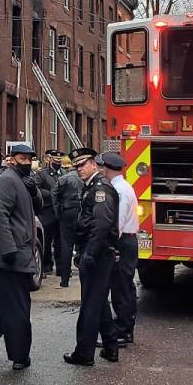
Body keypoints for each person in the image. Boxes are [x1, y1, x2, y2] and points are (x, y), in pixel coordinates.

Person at [0, 144, 42, 371]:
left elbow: (38, 208)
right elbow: (0, 215)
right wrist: (9, 251)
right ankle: (18, 357)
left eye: (29, 159)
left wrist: (34, 191)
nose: (26, 162)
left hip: (7, 255)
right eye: (21, 158)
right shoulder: (7, 180)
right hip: (9, 256)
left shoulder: (21, 181)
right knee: (17, 308)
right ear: (11, 159)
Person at [63, 147, 120, 367]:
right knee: (98, 300)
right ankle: (111, 346)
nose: (79, 170)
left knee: (90, 304)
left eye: (82, 165)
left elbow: (102, 224)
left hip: (98, 253)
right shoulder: (91, 186)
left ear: (94, 164)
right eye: (76, 166)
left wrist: (89, 254)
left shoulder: (100, 188)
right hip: (95, 251)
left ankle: (84, 353)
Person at [97, 151, 138, 346]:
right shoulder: (122, 186)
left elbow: (117, 223)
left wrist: (111, 246)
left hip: (122, 242)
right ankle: (124, 327)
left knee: (121, 288)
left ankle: (123, 331)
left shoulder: (119, 191)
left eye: (100, 167)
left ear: (106, 169)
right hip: (127, 241)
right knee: (125, 286)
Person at [34, 150, 64, 277]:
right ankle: (47, 265)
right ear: (50, 160)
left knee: (60, 242)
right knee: (46, 241)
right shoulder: (42, 174)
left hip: (60, 212)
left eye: (59, 161)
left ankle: (61, 267)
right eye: (55, 160)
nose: (58, 163)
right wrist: (51, 193)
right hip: (47, 211)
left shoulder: (64, 174)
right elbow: (36, 188)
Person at [53, 167, 83, 288]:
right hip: (80, 213)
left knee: (66, 246)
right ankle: (83, 277)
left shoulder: (63, 179)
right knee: (82, 245)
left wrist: (58, 214)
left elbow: (54, 195)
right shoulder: (83, 177)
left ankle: (64, 279)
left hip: (66, 212)